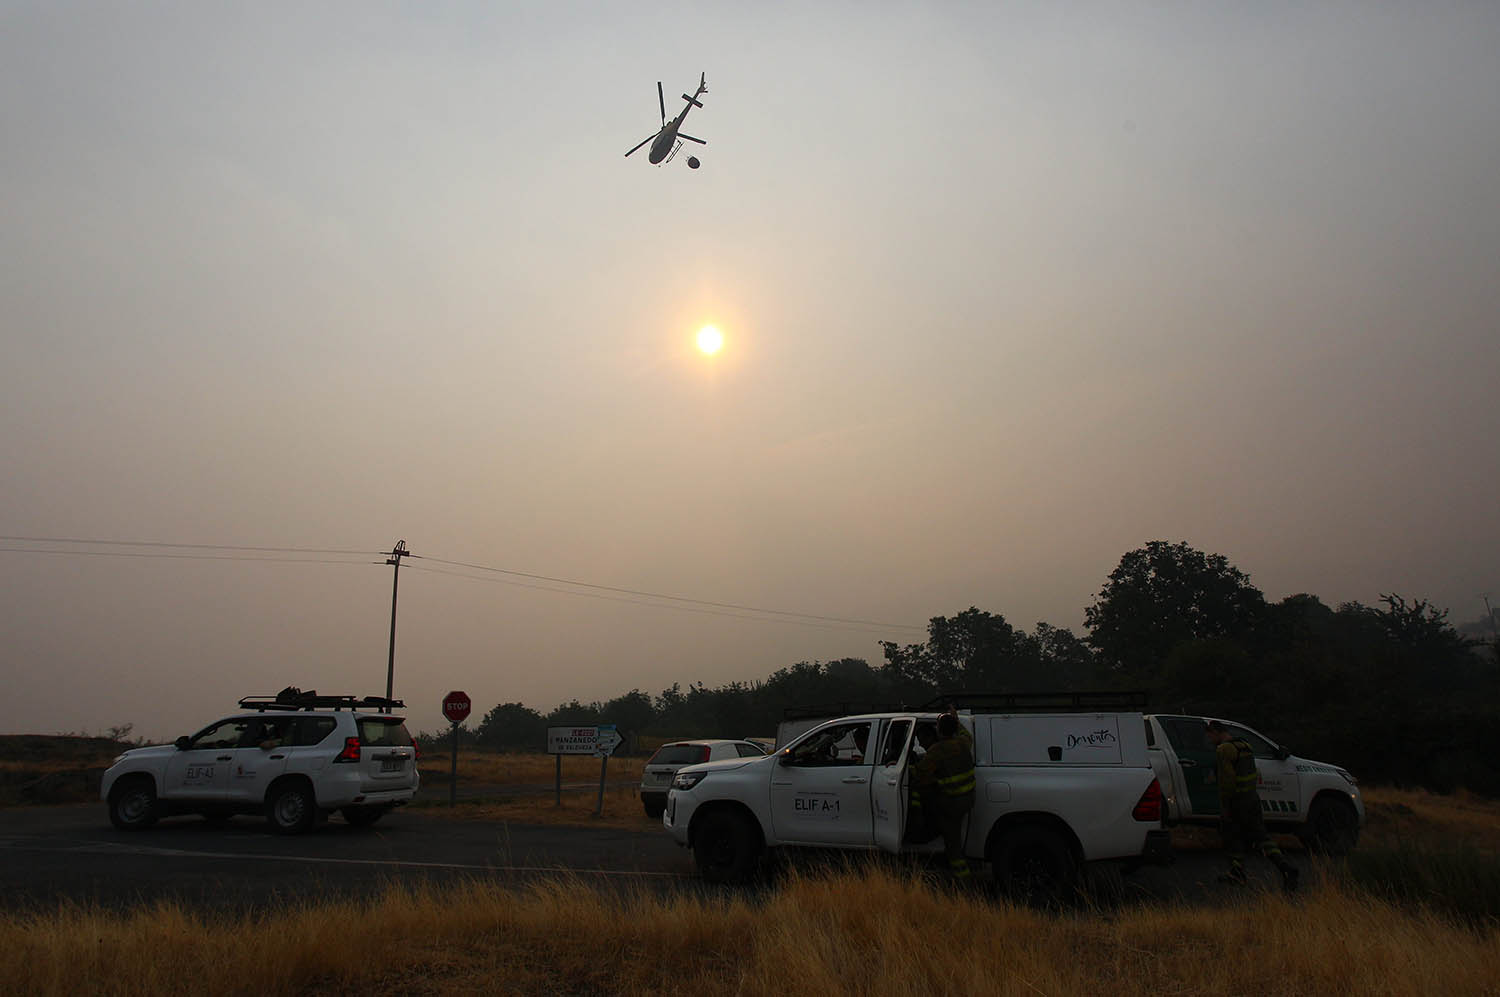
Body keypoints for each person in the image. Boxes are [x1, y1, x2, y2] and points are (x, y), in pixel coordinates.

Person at [1205, 720, 1298, 892]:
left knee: (1231, 835)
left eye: (1209, 736)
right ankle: (1240, 871)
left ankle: (1283, 868)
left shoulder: (1224, 750)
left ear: (1215, 732)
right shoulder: (1245, 745)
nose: (1209, 740)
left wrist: (1225, 806)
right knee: (1259, 835)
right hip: (1251, 799)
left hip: (1237, 801)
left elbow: (1227, 781)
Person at [910, 712, 976, 880]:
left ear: (939, 731)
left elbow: (919, 773)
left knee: (953, 845)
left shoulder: (937, 750)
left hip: (952, 804)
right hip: (968, 799)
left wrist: (899, 767)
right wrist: (956, 719)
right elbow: (966, 734)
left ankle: (963, 881)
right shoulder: (963, 743)